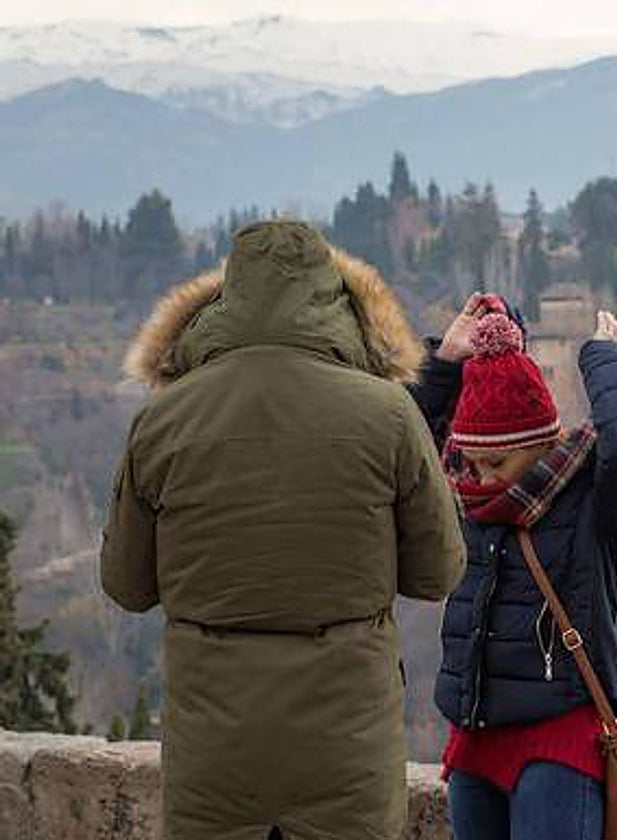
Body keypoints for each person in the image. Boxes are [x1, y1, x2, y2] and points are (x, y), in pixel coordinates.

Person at [100, 220, 466, 840]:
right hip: (345, 737)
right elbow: (438, 573)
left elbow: (127, 585)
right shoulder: (388, 413)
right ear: (336, 300)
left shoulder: (162, 419)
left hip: (214, 743)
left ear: (224, 298)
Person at [412, 294, 617, 840]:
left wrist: (605, 358)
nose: (482, 477)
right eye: (471, 461)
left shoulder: (593, 503)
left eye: (496, 463)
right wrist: (445, 365)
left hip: (560, 743)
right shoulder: (466, 495)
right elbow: (394, 452)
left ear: (539, 443)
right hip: (474, 741)